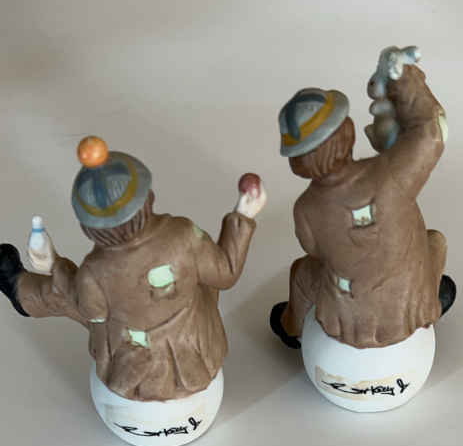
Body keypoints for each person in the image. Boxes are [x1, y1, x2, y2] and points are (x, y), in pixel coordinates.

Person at [0, 136, 266, 401]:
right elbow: (226, 272)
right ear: (148, 197)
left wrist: (54, 264)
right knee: (201, 275)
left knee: (71, 295)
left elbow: (88, 311)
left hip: (134, 366)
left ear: (88, 228)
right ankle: (23, 293)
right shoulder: (184, 235)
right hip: (196, 351)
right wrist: (243, 215)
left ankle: (21, 291)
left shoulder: (93, 271)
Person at [270, 50, 456, 351]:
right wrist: (403, 79)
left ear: (298, 162)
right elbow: (432, 132)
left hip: (347, 318)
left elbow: (315, 250)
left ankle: (291, 326)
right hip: (405, 304)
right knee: (434, 242)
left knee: (303, 273)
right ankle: (429, 299)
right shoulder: (390, 174)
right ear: (347, 132)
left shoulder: (304, 209)